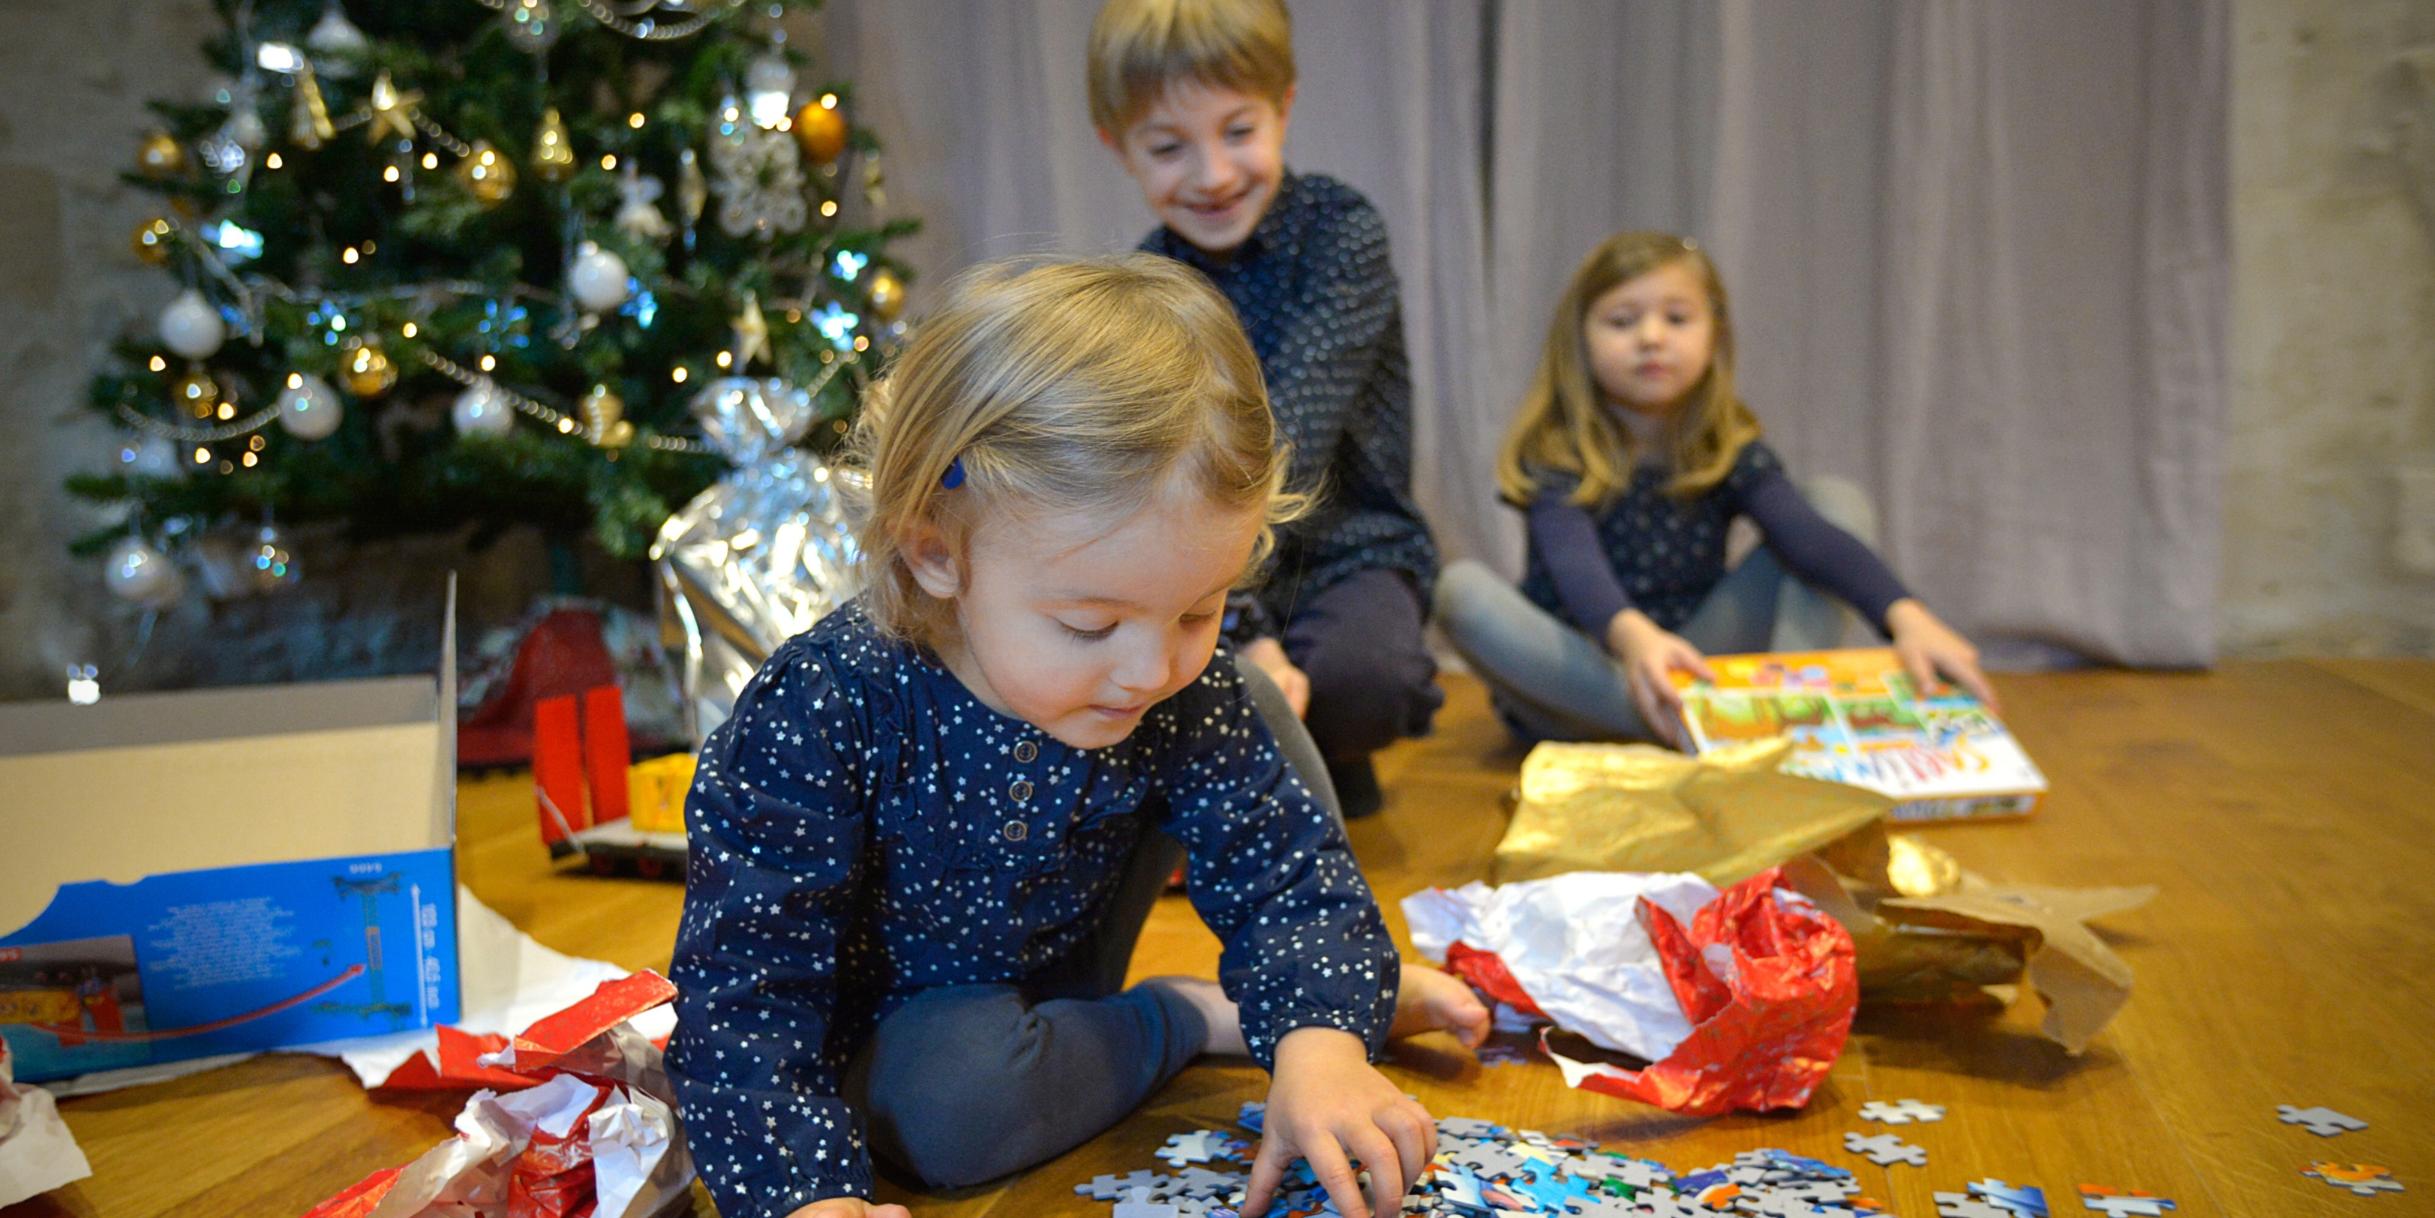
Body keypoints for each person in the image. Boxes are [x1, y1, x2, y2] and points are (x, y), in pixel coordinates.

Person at [666, 255, 1487, 1218]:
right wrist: (804, 1201)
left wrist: (1322, 1052)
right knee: (947, 1114)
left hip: (1071, 964)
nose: (1147, 667)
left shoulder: (1170, 681)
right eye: (1090, 626)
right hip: (907, 1029)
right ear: (935, 550)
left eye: (1199, 607)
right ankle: (1191, 1016)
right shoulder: (819, 704)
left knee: (1240, 694)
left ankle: (1307, 1007)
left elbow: (1286, 873)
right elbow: (742, 990)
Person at [1436, 231, 1997, 746]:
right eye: (1623, 321)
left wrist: (1905, 614)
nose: (1651, 338)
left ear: (1714, 335)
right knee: (1460, 590)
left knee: (1836, 502)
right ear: (1578, 341)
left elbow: (1805, 537)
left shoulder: (1725, 447)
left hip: (1701, 663)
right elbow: (1574, 566)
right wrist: (1634, 640)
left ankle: (1786, 714)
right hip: (1589, 671)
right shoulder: (1557, 453)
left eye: (1676, 318)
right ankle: (1694, 728)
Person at [1092, 0, 1442, 818]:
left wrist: (1245, 623)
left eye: (1238, 132)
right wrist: (1237, 623)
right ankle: (1245, 771)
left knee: (1364, 678)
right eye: (1169, 147)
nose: (1212, 174)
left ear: (1282, 107)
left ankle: (1319, 749)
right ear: (1120, 149)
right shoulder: (1147, 283)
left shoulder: (1341, 233)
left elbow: (1286, 439)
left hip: (1341, 546)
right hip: (1193, 559)